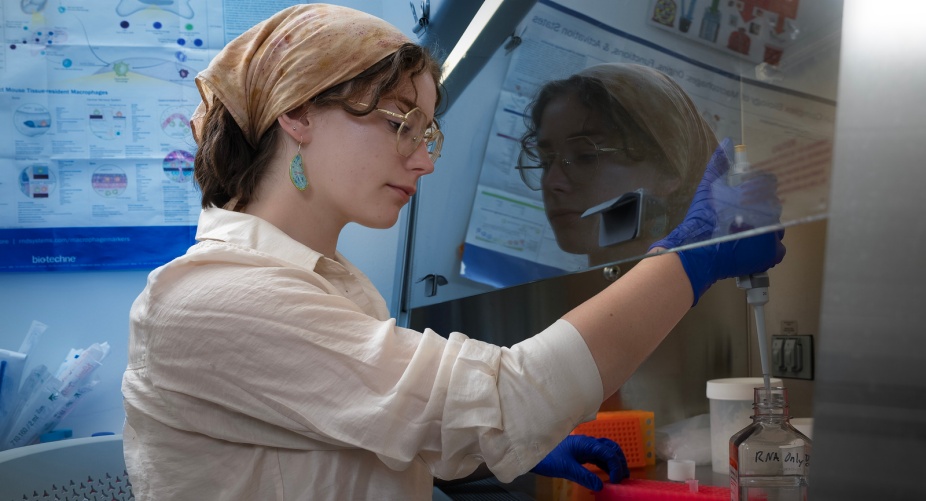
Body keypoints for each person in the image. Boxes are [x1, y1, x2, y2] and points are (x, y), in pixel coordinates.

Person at [121, 4, 785, 500]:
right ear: (296, 111)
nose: (424, 159)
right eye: (399, 121)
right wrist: (693, 253)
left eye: (429, 132)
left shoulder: (336, 283)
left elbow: (363, 429)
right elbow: (505, 395)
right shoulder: (210, 299)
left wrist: (481, 454)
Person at [517, 63, 719, 266]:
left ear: (669, 172)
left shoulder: (705, 291)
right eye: (545, 162)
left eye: (586, 156)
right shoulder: (577, 292)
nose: (551, 182)